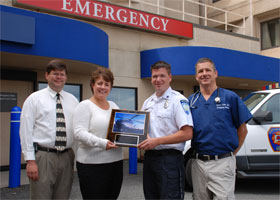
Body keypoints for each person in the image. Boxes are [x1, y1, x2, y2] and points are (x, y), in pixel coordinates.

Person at [189, 57, 252, 200]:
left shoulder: (230, 97)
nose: (204, 74)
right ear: (196, 76)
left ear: (215, 73)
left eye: (208, 70)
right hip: (198, 164)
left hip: (223, 163)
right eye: (200, 71)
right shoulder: (191, 101)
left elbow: (243, 130)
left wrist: (230, 155)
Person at [20, 59, 79, 199]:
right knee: (41, 196)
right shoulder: (34, 99)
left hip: (67, 156)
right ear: (47, 75)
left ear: (66, 77)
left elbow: (78, 129)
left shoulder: (73, 100)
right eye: (55, 74)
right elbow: (25, 131)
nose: (59, 77)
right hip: (43, 157)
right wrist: (30, 161)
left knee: (62, 196)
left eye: (62, 74)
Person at [138, 61, 193, 200]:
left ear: (170, 77)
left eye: (162, 76)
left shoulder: (178, 101)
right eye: (154, 76)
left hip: (170, 160)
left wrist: (157, 141)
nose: (158, 80)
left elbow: (187, 133)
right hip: (150, 159)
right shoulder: (147, 103)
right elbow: (142, 130)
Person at [73, 67, 123, 200]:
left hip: (115, 162)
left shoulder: (114, 105)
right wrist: (102, 143)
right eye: (99, 83)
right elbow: (79, 133)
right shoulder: (85, 106)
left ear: (111, 87)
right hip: (92, 165)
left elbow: (121, 129)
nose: (103, 87)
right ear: (92, 85)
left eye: (107, 84)